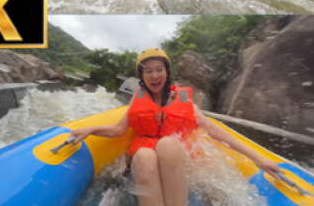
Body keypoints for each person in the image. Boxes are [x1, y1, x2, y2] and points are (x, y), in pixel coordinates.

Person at [69, 48, 284, 206]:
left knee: (168, 143)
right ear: (142, 77)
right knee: (143, 154)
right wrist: (89, 130)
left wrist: (257, 158)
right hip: (146, 164)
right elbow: (118, 129)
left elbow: (212, 130)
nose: (154, 76)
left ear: (167, 72)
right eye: (148, 71)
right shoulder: (138, 99)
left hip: (176, 159)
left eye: (159, 70)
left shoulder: (184, 100)